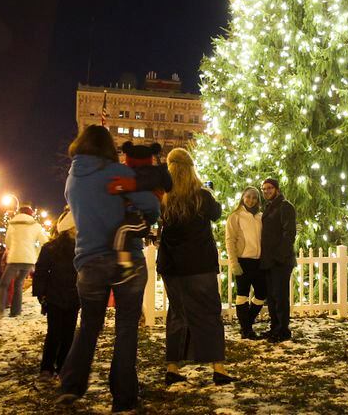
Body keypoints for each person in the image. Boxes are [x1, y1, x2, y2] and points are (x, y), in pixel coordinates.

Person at [57, 125, 159, 412]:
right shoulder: (117, 172)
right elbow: (152, 206)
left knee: (89, 324)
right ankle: (124, 396)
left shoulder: (71, 180)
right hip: (127, 259)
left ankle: (71, 385)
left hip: (89, 261)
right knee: (126, 328)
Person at [157, 148, 236, 385]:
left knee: (178, 313)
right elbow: (217, 213)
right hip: (200, 264)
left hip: (172, 266)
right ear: (192, 169)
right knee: (209, 313)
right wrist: (210, 191)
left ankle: (173, 366)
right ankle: (218, 368)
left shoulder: (165, 197)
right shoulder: (202, 195)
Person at [107, 141, 172, 284]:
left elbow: (151, 186)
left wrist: (124, 186)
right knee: (122, 231)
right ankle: (124, 264)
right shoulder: (135, 173)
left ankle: (124, 266)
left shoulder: (149, 174)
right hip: (136, 217)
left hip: (140, 219)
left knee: (123, 231)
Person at [33, 212, 80, 381]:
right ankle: (47, 368)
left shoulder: (81, 247)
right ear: (68, 229)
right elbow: (41, 272)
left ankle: (62, 367)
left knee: (68, 334)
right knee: (54, 333)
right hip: (55, 296)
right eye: (75, 227)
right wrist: (41, 294)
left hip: (73, 297)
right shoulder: (51, 248)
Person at [258, 177, 297, 342]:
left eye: (269, 188)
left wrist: (279, 256)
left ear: (277, 190)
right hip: (268, 260)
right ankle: (274, 328)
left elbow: (289, 233)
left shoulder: (285, 206)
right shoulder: (269, 207)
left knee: (280, 297)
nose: (266, 191)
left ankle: (283, 330)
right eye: (264, 189)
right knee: (272, 297)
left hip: (281, 261)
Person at [225, 187, 265, 339]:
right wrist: (234, 263)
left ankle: (246, 324)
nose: (251, 200)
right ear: (243, 197)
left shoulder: (261, 216)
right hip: (243, 260)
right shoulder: (235, 216)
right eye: (248, 197)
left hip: (258, 261)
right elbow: (230, 241)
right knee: (242, 295)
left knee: (261, 293)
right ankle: (247, 330)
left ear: (257, 200)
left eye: (254, 198)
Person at [0, 206, 47, 317]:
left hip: (14, 258)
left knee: (3, 284)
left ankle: (0, 310)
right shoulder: (36, 225)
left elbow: (8, 242)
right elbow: (45, 241)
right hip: (29, 259)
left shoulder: (12, 224)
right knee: (18, 284)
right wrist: (36, 252)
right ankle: (16, 311)